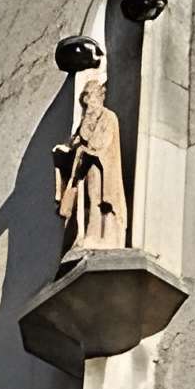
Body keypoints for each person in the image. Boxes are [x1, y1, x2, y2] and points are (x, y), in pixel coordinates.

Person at [54, 74, 128, 254]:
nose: (87, 103)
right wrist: (66, 150)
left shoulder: (109, 117)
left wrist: (83, 147)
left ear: (99, 96)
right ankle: (89, 234)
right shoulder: (86, 121)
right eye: (84, 99)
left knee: (101, 202)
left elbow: (101, 143)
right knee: (90, 201)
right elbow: (78, 141)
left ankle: (104, 236)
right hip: (87, 171)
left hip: (102, 169)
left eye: (90, 97)